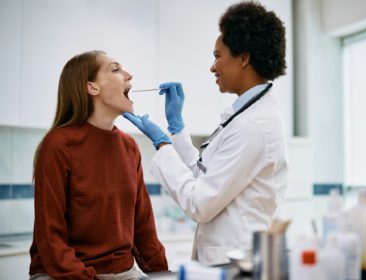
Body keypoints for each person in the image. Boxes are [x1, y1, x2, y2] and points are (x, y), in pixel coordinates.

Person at [124, 1, 288, 266]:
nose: (213, 67)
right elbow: (205, 179)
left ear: (244, 58)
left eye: (217, 55)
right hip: (232, 259)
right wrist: (177, 130)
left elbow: (200, 203)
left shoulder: (253, 126)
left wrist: (163, 143)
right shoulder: (246, 116)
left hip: (237, 263)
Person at [29, 50, 168, 280]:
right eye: (115, 69)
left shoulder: (129, 146)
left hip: (123, 272)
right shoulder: (58, 145)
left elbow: (143, 228)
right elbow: (51, 239)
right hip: (65, 273)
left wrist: (164, 275)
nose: (129, 75)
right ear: (92, 87)